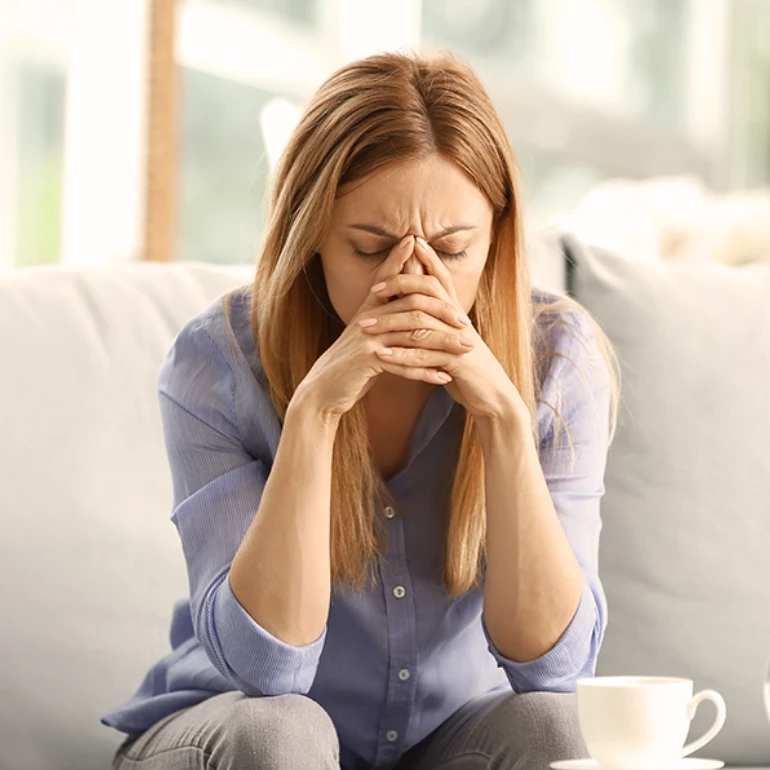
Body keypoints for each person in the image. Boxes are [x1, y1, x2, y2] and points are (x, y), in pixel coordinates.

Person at [102, 50, 619, 770]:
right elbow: (268, 669)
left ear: (497, 236)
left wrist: (502, 418)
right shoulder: (216, 364)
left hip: (445, 739)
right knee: (282, 731)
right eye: (370, 247)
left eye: (451, 248)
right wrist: (314, 414)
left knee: (554, 730)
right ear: (311, 234)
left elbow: (554, 670)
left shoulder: (558, 357)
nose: (414, 281)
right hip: (232, 733)